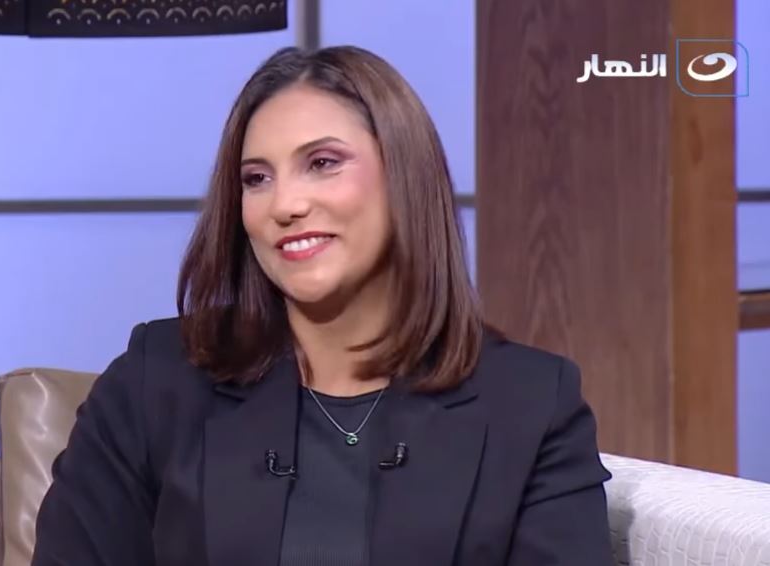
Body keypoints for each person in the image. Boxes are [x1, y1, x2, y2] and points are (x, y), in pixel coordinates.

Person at [31, 45, 614, 566]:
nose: (284, 204)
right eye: (256, 178)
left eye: (323, 163)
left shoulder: (531, 404)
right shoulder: (154, 382)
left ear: (404, 176)